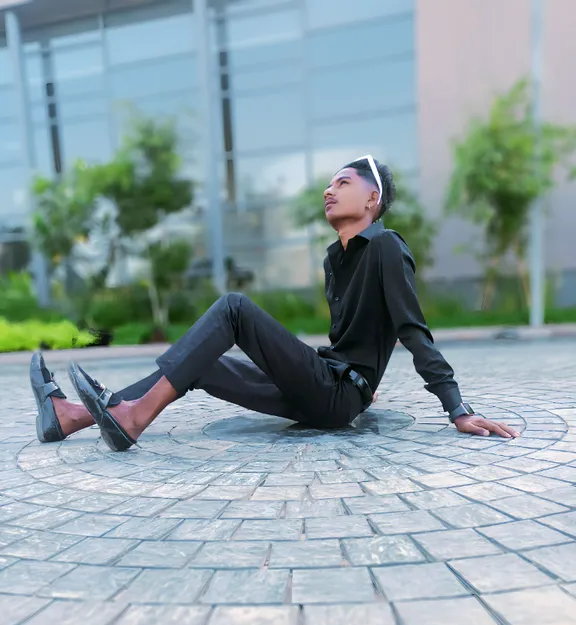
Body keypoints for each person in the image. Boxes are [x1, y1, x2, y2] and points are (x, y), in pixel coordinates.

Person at [31, 154, 519, 452]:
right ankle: (73, 417)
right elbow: (352, 341)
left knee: (234, 308)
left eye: (343, 183)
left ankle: (133, 419)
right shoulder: (338, 260)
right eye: (329, 184)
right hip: (329, 388)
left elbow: (412, 330)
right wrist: (364, 380)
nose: (329, 190)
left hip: (335, 394)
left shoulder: (388, 246)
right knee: (205, 364)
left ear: (374, 199)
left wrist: (457, 407)